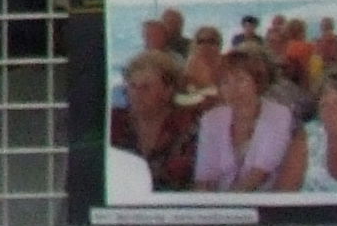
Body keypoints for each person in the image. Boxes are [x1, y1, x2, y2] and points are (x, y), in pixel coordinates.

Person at [192, 41, 296, 194]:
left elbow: (259, 173)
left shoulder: (279, 115)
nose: (232, 89)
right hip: (217, 204)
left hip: (261, 203)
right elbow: (204, 176)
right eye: (225, 82)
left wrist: (227, 205)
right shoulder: (211, 119)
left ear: (258, 82)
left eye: (240, 79)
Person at [110, 47, 199, 189]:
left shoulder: (187, 126)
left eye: (146, 87)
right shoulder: (114, 122)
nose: (136, 94)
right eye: (132, 86)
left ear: (168, 91)